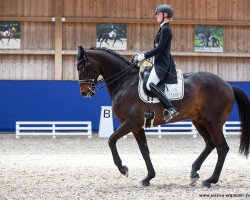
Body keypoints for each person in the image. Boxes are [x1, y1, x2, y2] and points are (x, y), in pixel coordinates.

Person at [135, 4, 179, 122]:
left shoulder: (166, 29)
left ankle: (170, 108)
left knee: (150, 84)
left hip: (162, 64)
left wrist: (143, 55)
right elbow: (158, 49)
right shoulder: (162, 28)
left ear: (165, 15)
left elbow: (160, 49)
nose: (156, 16)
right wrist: (150, 59)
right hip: (158, 61)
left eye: (158, 14)